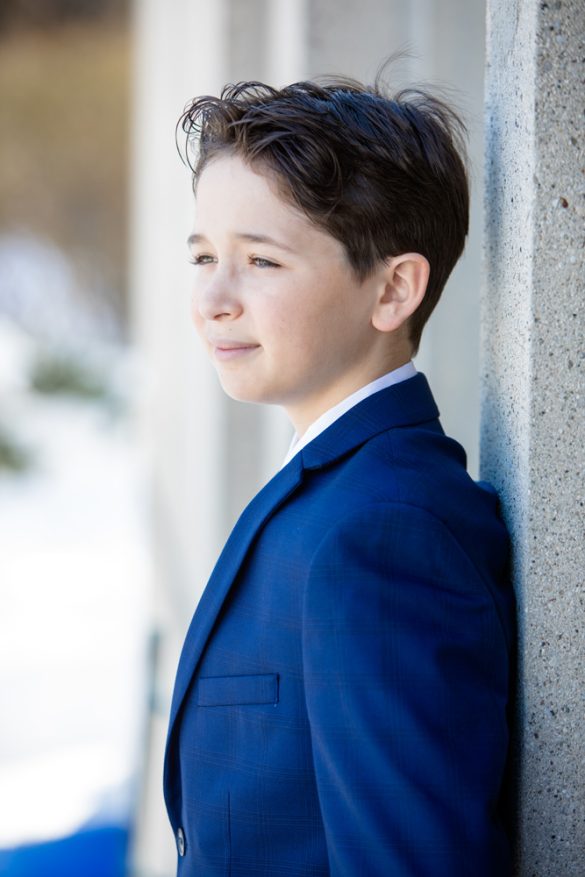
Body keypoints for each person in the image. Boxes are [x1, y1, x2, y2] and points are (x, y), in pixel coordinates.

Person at [163, 75, 515, 876]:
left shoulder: (383, 532)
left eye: (260, 260)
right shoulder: (332, 494)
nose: (212, 298)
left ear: (392, 288)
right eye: (203, 256)